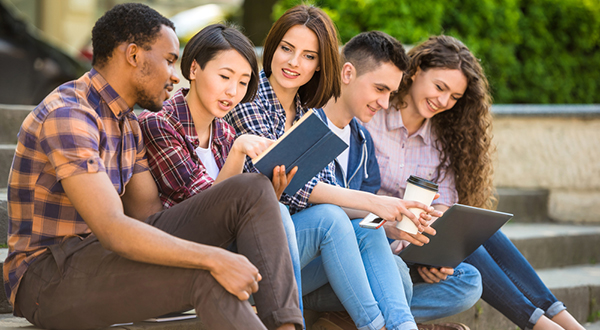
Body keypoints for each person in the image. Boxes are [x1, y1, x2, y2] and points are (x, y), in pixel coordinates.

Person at [3, 4, 302, 330]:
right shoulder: (70, 114)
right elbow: (113, 229)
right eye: (170, 60)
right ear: (133, 55)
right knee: (207, 275)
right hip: (47, 279)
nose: (176, 75)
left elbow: (151, 221)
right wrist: (215, 257)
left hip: (100, 260)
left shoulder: (129, 126)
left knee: (251, 189)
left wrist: (240, 212)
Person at [226, 5, 463, 330]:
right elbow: (292, 186)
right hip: (256, 245)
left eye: (308, 56)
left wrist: (387, 219)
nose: (294, 63)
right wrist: (378, 203)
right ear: (272, 48)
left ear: (320, 64)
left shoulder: (308, 113)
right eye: (286, 49)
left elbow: (321, 192)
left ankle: (399, 326)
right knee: (332, 218)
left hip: (299, 247)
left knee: (374, 238)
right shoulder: (249, 98)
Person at [364, 35, 585, 330]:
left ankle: (563, 321)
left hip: (417, 242)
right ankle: (543, 326)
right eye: (440, 87)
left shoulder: (441, 140)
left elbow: (444, 206)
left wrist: (441, 247)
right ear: (416, 70)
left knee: (474, 244)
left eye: (454, 97)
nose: (443, 101)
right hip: (376, 236)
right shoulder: (373, 115)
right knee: (469, 248)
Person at [302, 31, 481, 328]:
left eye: (389, 92)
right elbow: (309, 203)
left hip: (359, 251)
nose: (385, 103)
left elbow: (366, 223)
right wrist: (381, 209)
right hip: (313, 259)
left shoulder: (362, 142)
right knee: (395, 275)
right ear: (347, 73)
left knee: (468, 280)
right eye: (380, 89)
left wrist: (395, 227)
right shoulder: (311, 121)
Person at [138, 23, 304, 317]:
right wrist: (240, 153)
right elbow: (205, 208)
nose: (233, 91)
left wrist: (270, 192)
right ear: (193, 69)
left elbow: (237, 210)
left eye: (243, 82)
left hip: (227, 251)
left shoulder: (225, 132)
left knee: (327, 221)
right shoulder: (158, 125)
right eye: (225, 76)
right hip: (180, 258)